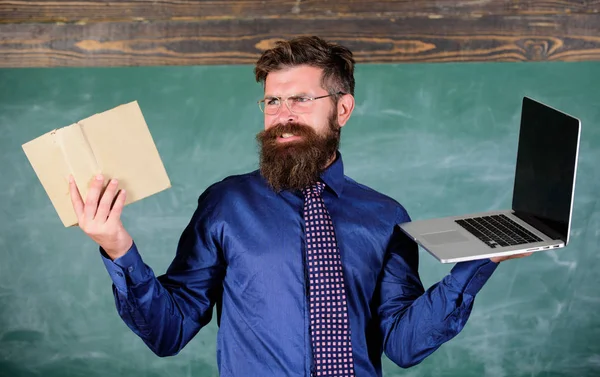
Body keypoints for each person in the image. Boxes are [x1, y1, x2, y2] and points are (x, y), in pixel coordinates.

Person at [69, 36, 529, 377]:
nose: (282, 114)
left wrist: (479, 261)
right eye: (272, 100)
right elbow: (168, 333)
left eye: (301, 99)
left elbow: (403, 345)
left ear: (342, 109)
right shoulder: (226, 204)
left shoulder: (386, 215)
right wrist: (117, 247)